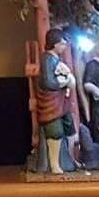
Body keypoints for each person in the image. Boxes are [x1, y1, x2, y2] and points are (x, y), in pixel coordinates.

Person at [31, 27, 78, 175]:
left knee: (70, 127)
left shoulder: (57, 59)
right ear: (54, 44)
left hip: (61, 102)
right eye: (62, 44)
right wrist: (65, 82)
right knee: (55, 131)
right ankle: (54, 163)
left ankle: (70, 158)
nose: (64, 47)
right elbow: (48, 82)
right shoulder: (47, 60)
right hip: (51, 103)